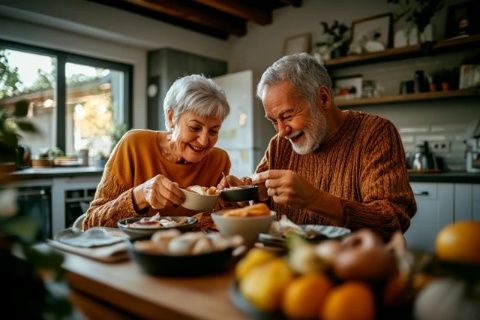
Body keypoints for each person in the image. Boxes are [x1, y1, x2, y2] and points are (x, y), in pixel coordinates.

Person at [224, 53, 416, 240]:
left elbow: (393, 221)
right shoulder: (279, 145)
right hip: (293, 263)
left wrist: (315, 200)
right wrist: (242, 192)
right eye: (274, 121)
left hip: (356, 265)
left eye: (288, 116)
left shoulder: (375, 133)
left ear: (323, 98)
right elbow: (262, 202)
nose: (281, 131)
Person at [82, 74, 231, 229]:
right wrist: (139, 196)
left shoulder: (219, 160)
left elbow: (220, 222)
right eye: (195, 128)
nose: (204, 141)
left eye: (213, 131)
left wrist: (232, 204)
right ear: (171, 116)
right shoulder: (133, 145)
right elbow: (90, 223)